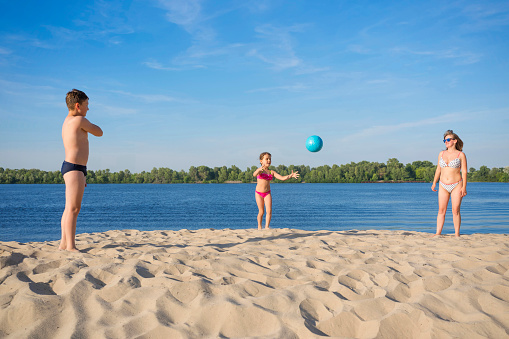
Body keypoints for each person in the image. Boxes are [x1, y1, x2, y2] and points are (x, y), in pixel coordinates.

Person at [60, 89, 103, 251]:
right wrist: (89, 124)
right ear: (78, 106)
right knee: (74, 209)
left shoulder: (67, 120)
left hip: (73, 168)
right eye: (87, 105)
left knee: (69, 208)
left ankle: (64, 244)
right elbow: (99, 132)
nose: (88, 109)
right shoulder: (79, 121)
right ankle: (70, 246)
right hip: (75, 168)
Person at [431, 130, 467, 237]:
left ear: (455, 141)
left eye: (448, 139)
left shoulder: (461, 155)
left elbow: (464, 171)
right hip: (443, 185)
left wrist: (464, 187)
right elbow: (438, 169)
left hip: (457, 184)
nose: (446, 142)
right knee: (441, 210)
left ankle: (457, 234)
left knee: (455, 210)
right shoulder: (441, 154)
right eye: (444, 140)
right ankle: (438, 233)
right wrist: (434, 183)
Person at [253, 152, 299, 230]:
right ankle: (259, 227)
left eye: (270, 159)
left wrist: (290, 176)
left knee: (269, 211)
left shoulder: (272, 172)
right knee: (261, 212)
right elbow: (254, 174)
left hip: (267, 193)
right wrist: (258, 170)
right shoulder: (260, 171)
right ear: (261, 161)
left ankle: (267, 227)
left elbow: (282, 178)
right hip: (259, 194)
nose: (268, 160)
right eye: (266, 159)